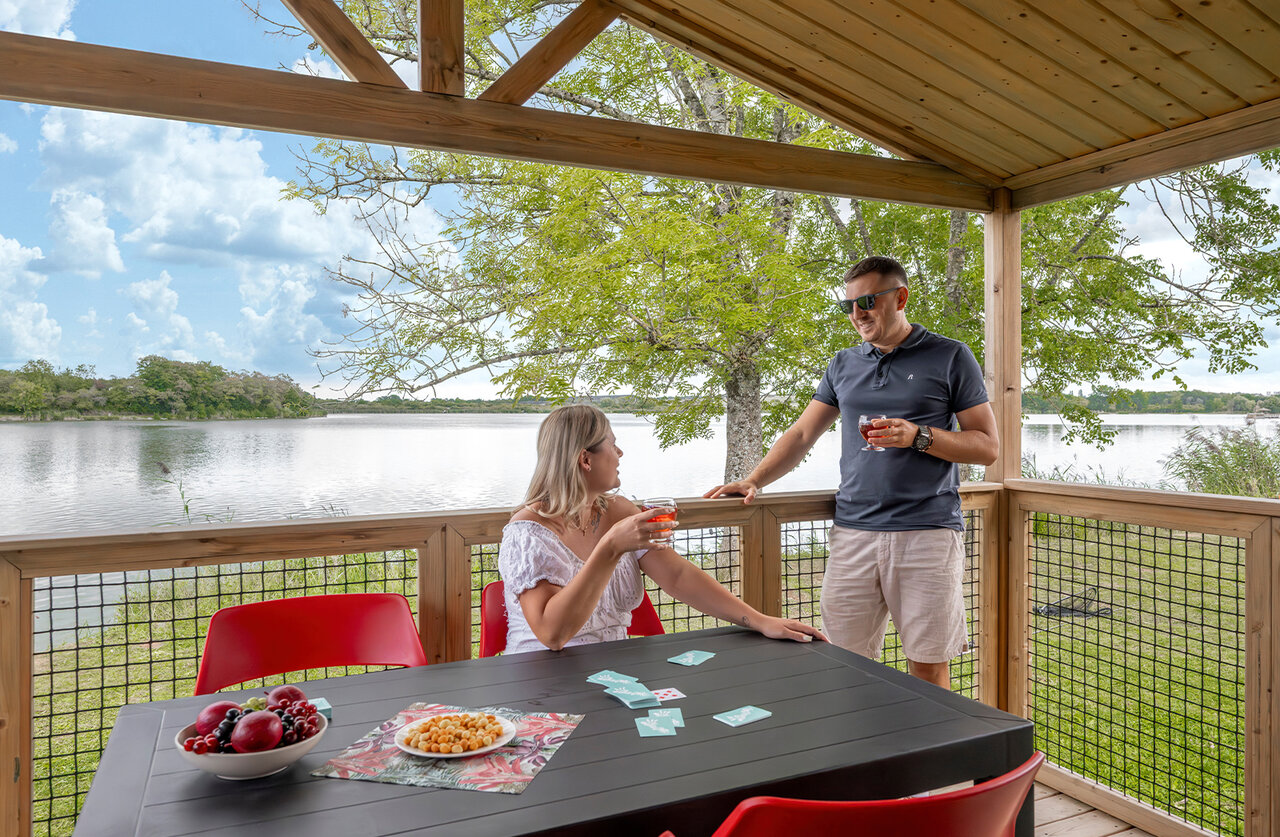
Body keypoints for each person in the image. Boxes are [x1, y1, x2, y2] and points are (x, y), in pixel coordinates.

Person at [705, 256, 998, 689]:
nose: (858, 313)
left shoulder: (950, 355)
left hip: (927, 533)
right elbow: (803, 433)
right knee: (844, 663)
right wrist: (755, 480)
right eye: (849, 306)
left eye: (868, 301)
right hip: (853, 535)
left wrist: (918, 436)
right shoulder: (843, 364)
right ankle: (867, 753)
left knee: (928, 663)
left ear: (900, 298)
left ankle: (928, 756)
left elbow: (987, 446)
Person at [499, 403, 826, 653]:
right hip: (540, 678)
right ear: (586, 459)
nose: (619, 453)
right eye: (612, 445)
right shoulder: (528, 532)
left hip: (612, 670)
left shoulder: (619, 510)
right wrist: (611, 547)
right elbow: (553, 635)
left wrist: (760, 620)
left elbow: (678, 577)